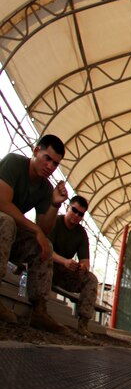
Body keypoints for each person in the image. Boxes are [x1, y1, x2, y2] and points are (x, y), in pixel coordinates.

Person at [0, 134, 69, 333]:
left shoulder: (45, 188)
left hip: (7, 229)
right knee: (7, 221)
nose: (50, 166)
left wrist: (55, 204)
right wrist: (36, 229)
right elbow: (3, 203)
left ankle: (39, 310)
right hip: (2, 222)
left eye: (55, 164)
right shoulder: (14, 163)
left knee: (43, 245)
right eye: (47, 158)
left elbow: (45, 229)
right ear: (36, 151)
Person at [48, 195, 99, 336]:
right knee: (43, 257)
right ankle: (38, 310)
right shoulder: (55, 222)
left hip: (63, 272)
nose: (76, 215)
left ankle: (83, 323)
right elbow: (45, 250)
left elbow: (85, 262)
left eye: (80, 214)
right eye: (74, 210)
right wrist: (64, 261)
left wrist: (81, 267)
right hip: (46, 264)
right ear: (67, 207)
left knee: (91, 279)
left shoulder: (81, 233)